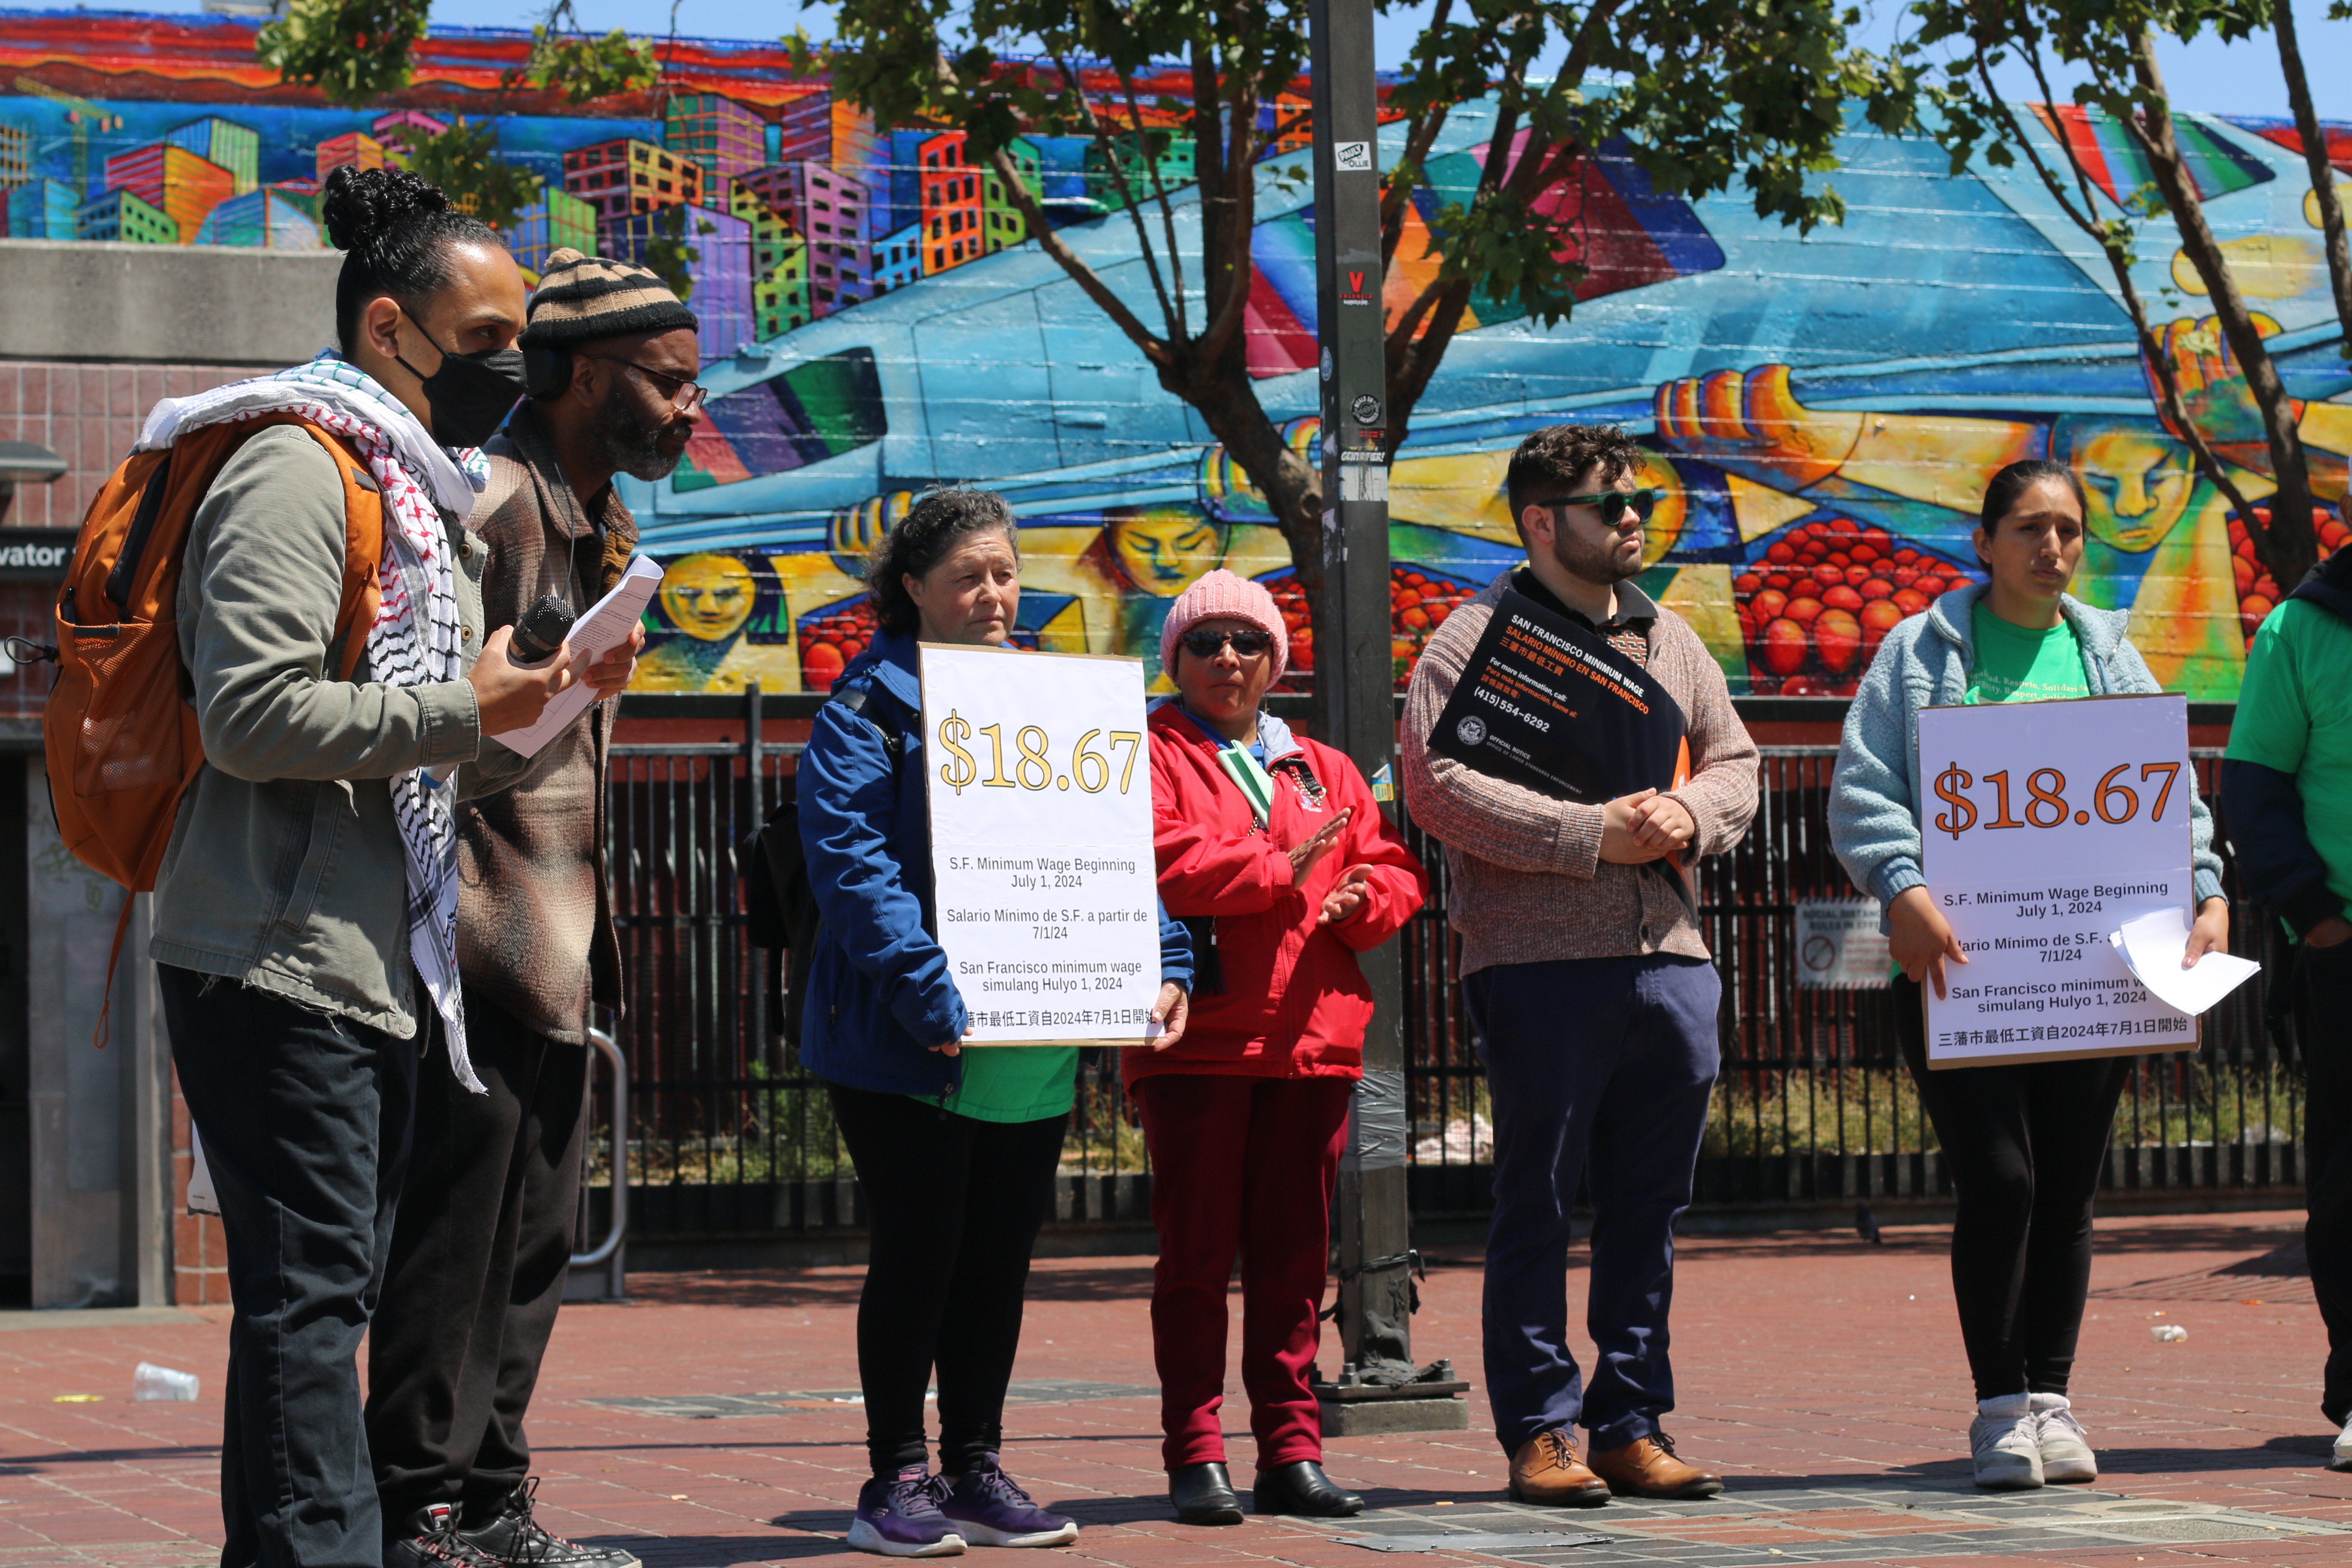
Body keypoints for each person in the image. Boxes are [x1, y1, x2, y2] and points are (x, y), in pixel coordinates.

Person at [147, 166, 631, 1568]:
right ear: (384, 331)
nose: (512, 370)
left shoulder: (409, 497)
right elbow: (252, 714)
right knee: (311, 1304)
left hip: (360, 956)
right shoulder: (292, 467)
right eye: (487, 342)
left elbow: (418, 759)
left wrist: (549, 698)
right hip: (276, 953)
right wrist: (472, 709)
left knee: (313, 1301)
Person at [364, 249, 695, 1568]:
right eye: (666, 384)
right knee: (454, 1247)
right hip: (475, 937)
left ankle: (493, 1506)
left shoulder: (592, 522)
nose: (688, 410)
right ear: (582, 376)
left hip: (554, 947)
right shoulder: (497, 501)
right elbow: (437, 726)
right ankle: (420, 1515)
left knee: (535, 1244)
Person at [796, 487, 1196, 1558]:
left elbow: (1108, 846)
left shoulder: (1052, 702)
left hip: (1031, 1033)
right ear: (913, 588)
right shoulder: (866, 710)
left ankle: (975, 1466)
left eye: (1005, 573)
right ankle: (896, 1481)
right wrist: (925, 987)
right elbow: (851, 866)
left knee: (998, 1259)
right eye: (967, 575)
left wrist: (1162, 959)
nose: (991, 593)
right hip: (911, 1036)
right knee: (922, 1250)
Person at [1831, 457, 2229, 1490]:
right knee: (1999, 1181)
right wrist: (1902, 883)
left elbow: (2168, 790)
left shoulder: (2109, 652)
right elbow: (1864, 787)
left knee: (2066, 1191)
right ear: (1987, 541)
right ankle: (1998, 1408)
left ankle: (2052, 1401)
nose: (2053, 548)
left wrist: (2205, 887)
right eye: (2030, 528)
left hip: (2093, 976)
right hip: (1958, 974)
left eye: (2068, 531)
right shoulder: (1918, 653)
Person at [1401, 424, 1758, 1507]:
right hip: (1536, 964)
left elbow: (1739, 762)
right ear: (1542, 521)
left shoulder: (1674, 639)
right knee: (1538, 1203)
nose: (1633, 519)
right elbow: (1434, 782)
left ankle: (1629, 1421)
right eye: (1610, 504)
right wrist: (1588, 833)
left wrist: (1689, 812)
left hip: (1672, 962)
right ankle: (1540, 1430)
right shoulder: (1472, 639)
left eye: (1637, 500)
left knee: (1651, 1205)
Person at [1135, 570, 1428, 1525]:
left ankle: (1291, 1453)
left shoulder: (1325, 767)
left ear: (1276, 662)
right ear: (1175, 659)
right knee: (1195, 1260)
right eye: (1206, 641)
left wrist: (1367, 897)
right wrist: (1281, 868)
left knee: (1295, 1262)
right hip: (1201, 1047)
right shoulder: (1146, 751)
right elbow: (1158, 860)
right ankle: (1195, 1455)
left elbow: (1390, 865)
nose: (1228, 658)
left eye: (1247, 642)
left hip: (1313, 1046)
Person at [2219, 535, 2352, 1468]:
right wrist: (2316, 916)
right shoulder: (2299, 629)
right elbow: (2254, 792)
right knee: (2351, 1186)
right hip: (2349, 951)